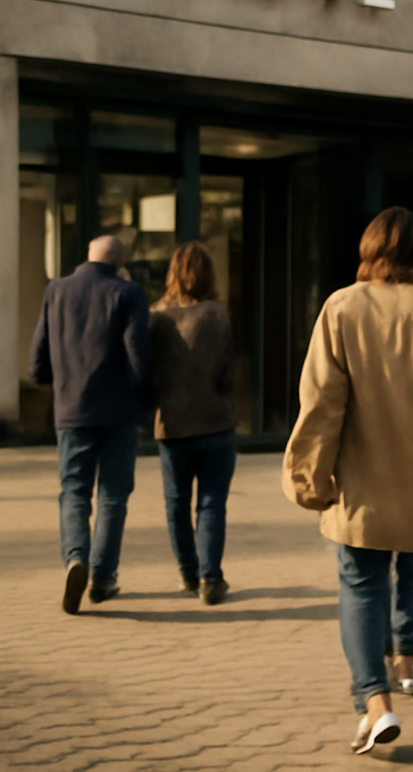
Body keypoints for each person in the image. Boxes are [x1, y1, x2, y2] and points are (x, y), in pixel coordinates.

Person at [283, 207, 413, 755]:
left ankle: (374, 703)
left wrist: (309, 479)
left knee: (362, 585)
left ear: (370, 250)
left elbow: (320, 404)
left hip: (358, 488)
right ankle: (406, 664)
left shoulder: (341, 307)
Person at [28, 234, 151, 615]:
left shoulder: (57, 290)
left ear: (88, 256)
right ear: (119, 262)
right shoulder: (128, 293)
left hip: (71, 410)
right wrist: (143, 397)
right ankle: (102, 577)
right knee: (114, 495)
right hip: (118, 413)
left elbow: (37, 360)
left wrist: (59, 380)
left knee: (74, 492)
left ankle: (75, 559)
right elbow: (138, 357)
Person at [149, 242, 237, 606]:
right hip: (216, 423)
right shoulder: (217, 314)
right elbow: (228, 375)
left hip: (173, 425)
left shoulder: (157, 316)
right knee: (212, 504)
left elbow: (147, 370)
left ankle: (188, 572)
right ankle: (210, 578)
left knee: (176, 502)